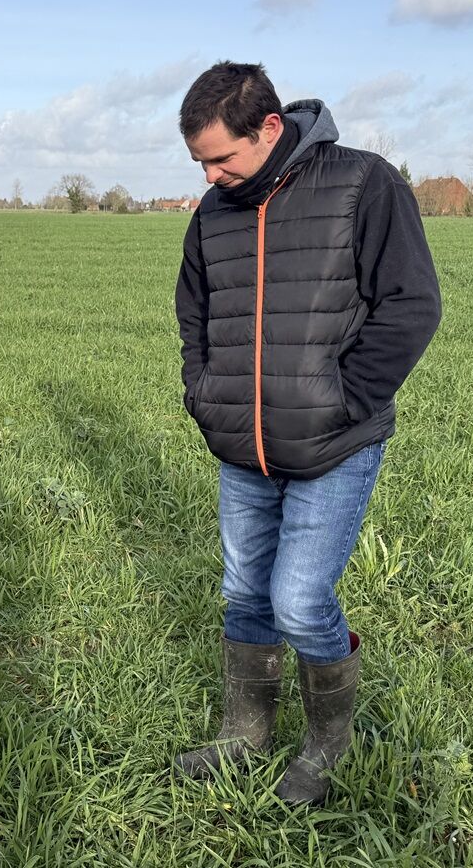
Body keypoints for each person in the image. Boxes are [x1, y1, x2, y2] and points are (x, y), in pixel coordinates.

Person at [173, 62, 441, 804]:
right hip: (240, 446)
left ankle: (326, 743)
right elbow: (193, 314)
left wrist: (343, 400)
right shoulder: (213, 211)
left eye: (221, 157)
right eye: (199, 162)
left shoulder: (363, 184)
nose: (211, 173)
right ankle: (245, 734)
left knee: (296, 599)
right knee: (242, 593)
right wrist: (205, 393)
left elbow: (410, 304)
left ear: (267, 128)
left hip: (333, 445)